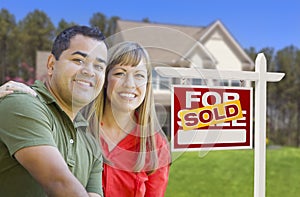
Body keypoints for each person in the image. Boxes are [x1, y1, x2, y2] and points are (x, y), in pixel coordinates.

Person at [1, 41, 171, 197]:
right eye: (120, 73)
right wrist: (21, 95)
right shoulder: (74, 124)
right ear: (104, 79)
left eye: (139, 75)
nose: (129, 84)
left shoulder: (156, 146)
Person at [0, 25, 108, 197]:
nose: (89, 72)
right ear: (51, 64)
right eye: (78, 60)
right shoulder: (21, 102)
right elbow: (59, 183)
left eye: (99, 67)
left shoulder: (91, 143)